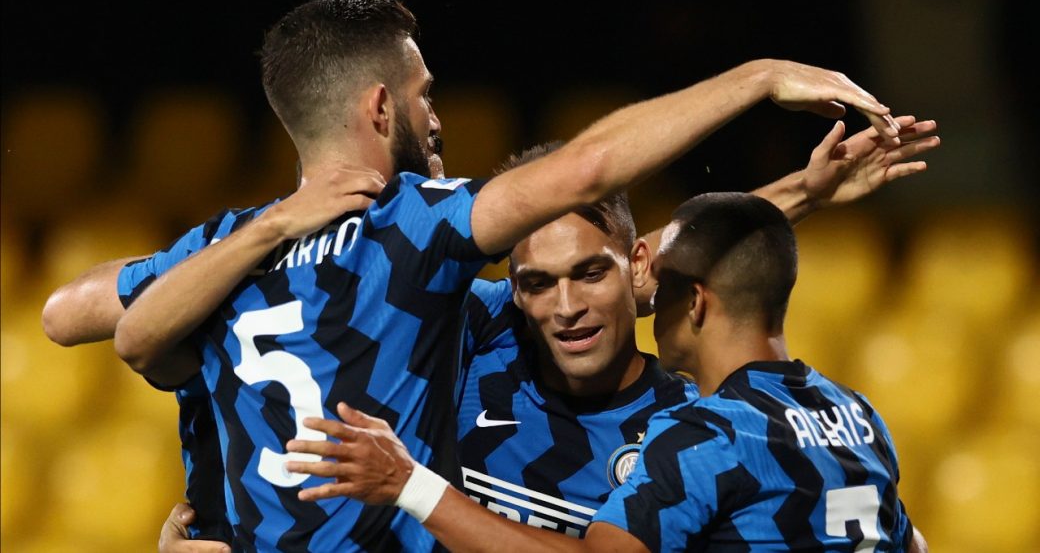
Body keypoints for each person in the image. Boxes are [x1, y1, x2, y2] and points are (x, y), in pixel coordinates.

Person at [44, 0, 906, 549]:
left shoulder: (229, 251)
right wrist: (759, 77)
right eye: (425, 94)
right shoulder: (423, 246)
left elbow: (72, 313)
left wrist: (798, 193)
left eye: (588, 277)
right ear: (380, 107)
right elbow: (589, 178)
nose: (437, 115)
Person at [283, 192, 927, 551]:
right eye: (539, 284)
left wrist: (411, 485)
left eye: (595, 275)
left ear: (684, 296)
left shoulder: (697, 432)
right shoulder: (858, 416)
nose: (566, 307)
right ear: (517, 291)